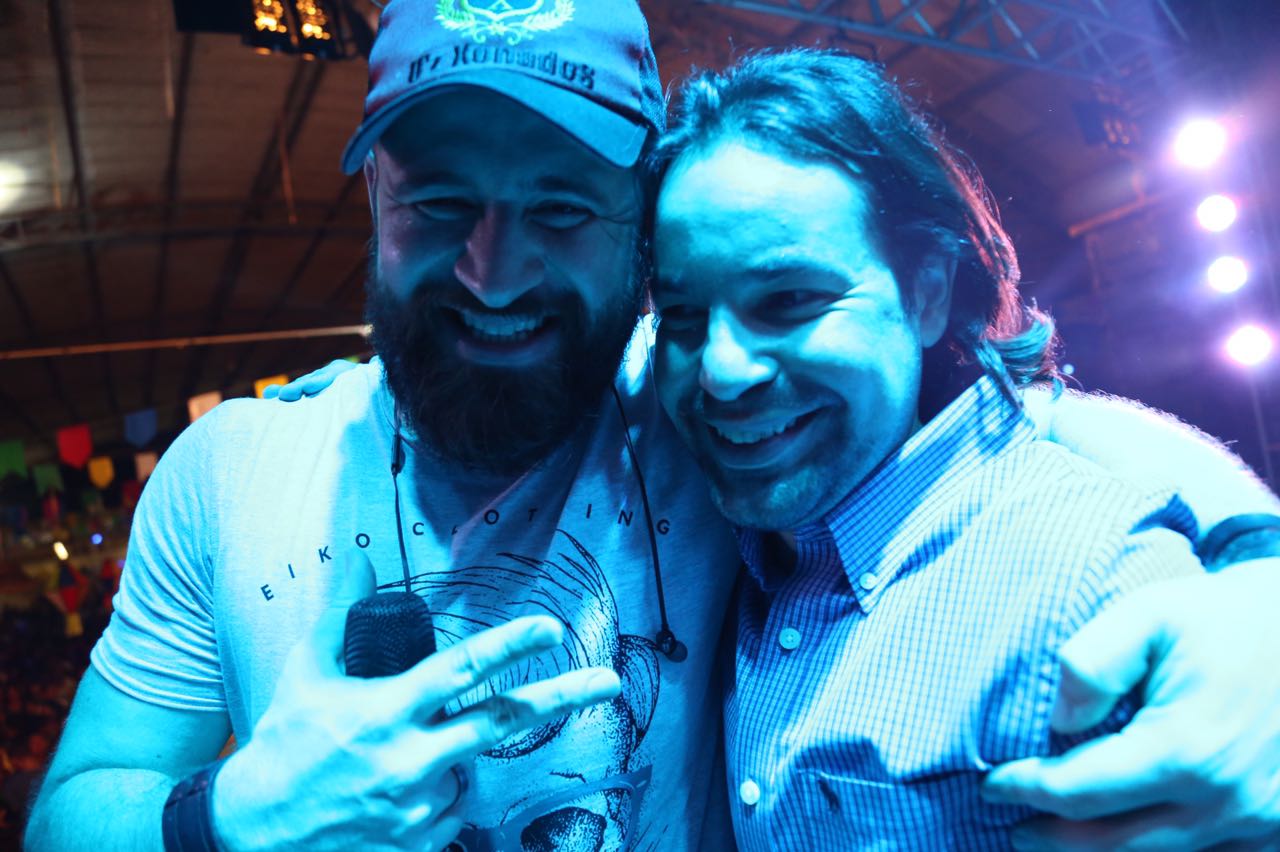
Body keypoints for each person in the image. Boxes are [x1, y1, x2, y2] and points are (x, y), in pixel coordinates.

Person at [26, 2, 1280, 851]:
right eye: (440, 204)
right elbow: (67, 813)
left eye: (561, 210)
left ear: (637, 226)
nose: (494, 273)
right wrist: (224, 818)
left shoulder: (696, 405)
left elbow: (1024, 422)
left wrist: (1255, 586)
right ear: (375, 201)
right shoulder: (231, 468)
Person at [645, 47, 1260, 849]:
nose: (722, 371)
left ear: (928, 294)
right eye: (683, 316)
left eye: (789, 300)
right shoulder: (726, 528)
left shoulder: (1097, 593)